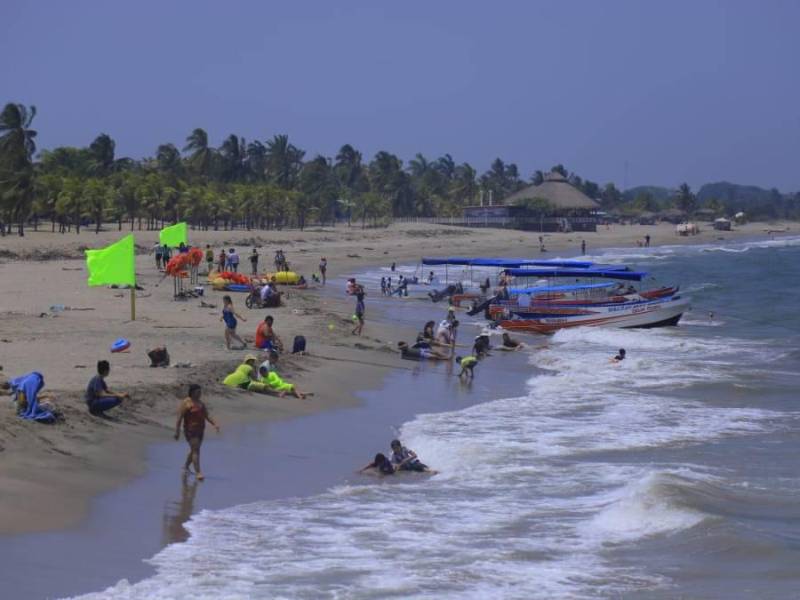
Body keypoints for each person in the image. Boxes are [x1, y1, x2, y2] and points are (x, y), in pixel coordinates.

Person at [174, 384, 219, 481]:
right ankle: (198, 472)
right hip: (190, 430)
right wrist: (177, 431)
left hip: (200, 430)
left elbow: (207, 416)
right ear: (192, 392)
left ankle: (185, 467)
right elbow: (179, 418)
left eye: (200, 392)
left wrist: (214, 424)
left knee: (194, 450)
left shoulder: (200, 403)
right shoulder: (186, 403)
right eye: (198, 392)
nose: (200, 394)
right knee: (196, 451)